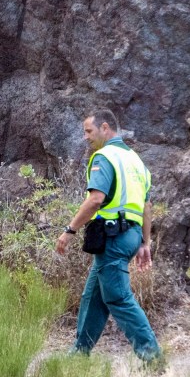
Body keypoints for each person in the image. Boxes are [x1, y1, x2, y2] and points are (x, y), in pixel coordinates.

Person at [55, 110, 163, 363]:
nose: (85, 137)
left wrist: (69, 230)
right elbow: (146, 207)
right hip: (131, 235)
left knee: (117, 297)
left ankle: (152, 356)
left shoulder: (104, 157)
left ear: (105, 128)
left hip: (113, 236)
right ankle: (79, 354)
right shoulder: (136, 161)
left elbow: (95, 200)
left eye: (88, 131)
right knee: (94, 295)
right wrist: (145, 243)